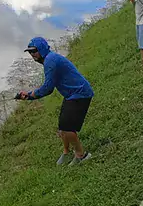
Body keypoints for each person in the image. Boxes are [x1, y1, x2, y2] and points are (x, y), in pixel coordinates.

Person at [16, 37, 95, 166]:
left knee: (68, 128)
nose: (32, 55)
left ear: (41, 49)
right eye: (30, 52)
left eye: (34, 51)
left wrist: (30, 95)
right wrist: (29, 94)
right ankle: (66, 151)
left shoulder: (50, 61)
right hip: (70, 95)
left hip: (80, 94)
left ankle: (81, 155)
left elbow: (47, 89)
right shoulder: (49, 59)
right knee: (62, 128)